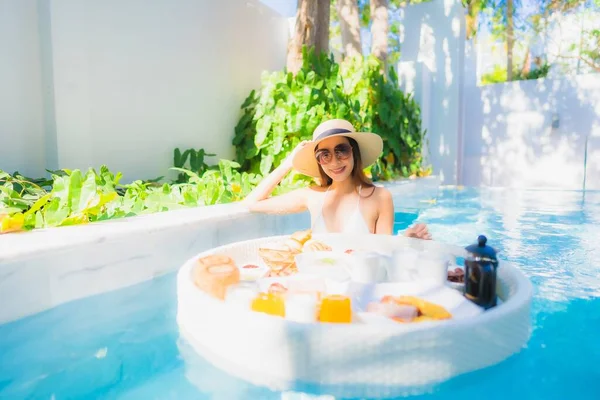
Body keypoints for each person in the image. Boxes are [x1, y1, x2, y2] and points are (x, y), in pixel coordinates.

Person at [242, 119, 431, 239]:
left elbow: (383, 256)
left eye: (341, 151)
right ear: (319, 162)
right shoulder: (311, 196)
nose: (334, 162)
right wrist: (288, 163)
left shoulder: (380, 198)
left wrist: (407, 240)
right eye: (325, 155)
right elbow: (252, 203)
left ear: (354, 153)